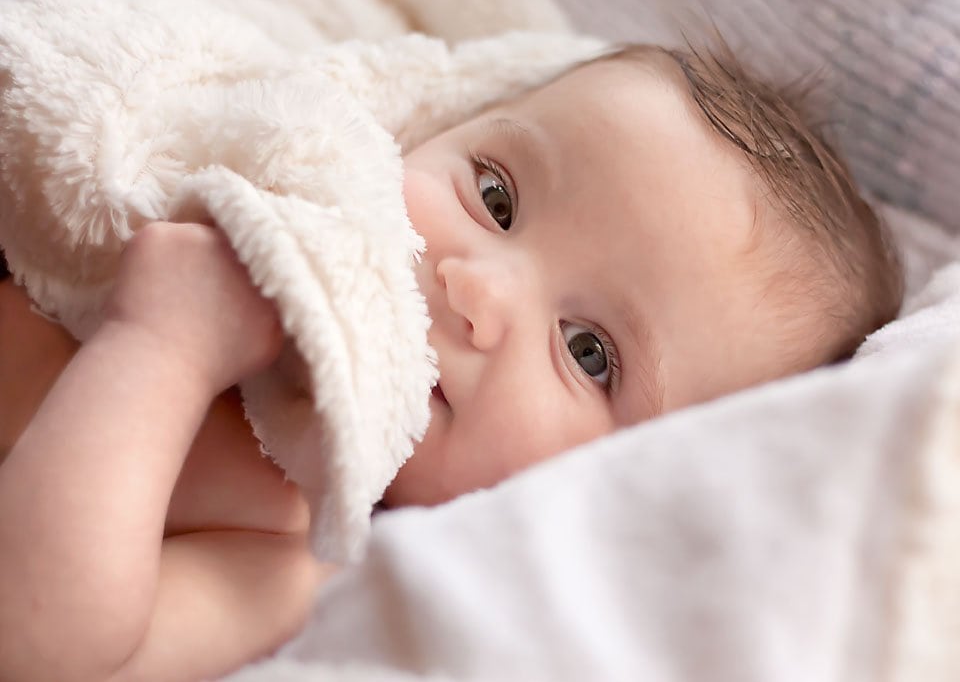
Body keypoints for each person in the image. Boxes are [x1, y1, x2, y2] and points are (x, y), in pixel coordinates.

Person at [0, 43, 903, 681]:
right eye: (496, 198)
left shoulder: (298, 541)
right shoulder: (228, 184)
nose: (476, 290)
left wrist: (161, 348)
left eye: (588, 352)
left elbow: (48, 648)